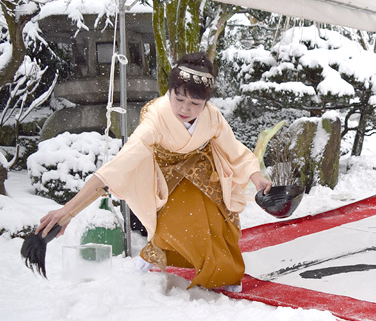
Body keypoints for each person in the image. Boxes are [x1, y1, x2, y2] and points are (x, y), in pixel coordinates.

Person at [36, 52, 272, 290]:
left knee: (220, 224)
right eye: (178, 98)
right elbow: (119, 166)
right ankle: (212, 270)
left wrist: (256, 176)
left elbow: (234, 150)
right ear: (169, 91)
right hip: (167, 178)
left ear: (206, 103)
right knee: (188, 224)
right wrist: (68, 211)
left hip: (202, 173)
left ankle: (198, 263)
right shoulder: (155, 119)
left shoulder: (212, 117)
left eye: (195, 104)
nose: (185, 108)